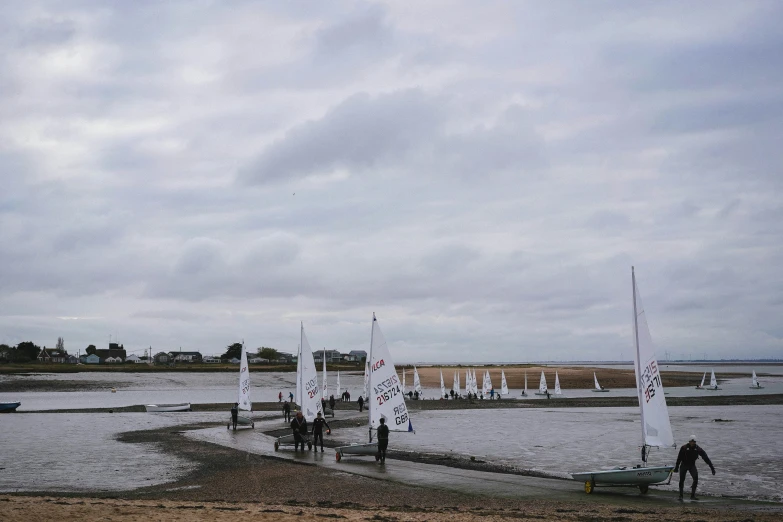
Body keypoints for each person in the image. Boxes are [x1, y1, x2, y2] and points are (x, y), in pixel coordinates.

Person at [674, 435, 715, 500]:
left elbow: (706, 458)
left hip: (692, 466)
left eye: (694, 442)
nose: (693, 443)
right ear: (689, 441)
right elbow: (679, 458)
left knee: (695, 479)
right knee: (682, 480)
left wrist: (712, 468)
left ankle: (692, 496)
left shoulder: (698, 449)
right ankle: (681, 496)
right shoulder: (684, 447)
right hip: (684, 465)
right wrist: (676, 466)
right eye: (692, 441)